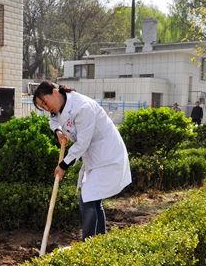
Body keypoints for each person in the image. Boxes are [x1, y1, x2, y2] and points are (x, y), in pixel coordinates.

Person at [32, 81, 131, 240]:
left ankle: (88, 243)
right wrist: (57, 131)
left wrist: (63, 165)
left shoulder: (82, 107)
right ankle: (99, 242)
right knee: (93, 199)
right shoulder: (58, 107)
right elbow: (53, 120)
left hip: (107, 156)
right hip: (94, 159)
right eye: (41, 106)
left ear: (55, 92)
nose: (45, 107)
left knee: (87, 199)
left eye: (45, 102)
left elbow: (82, 143)